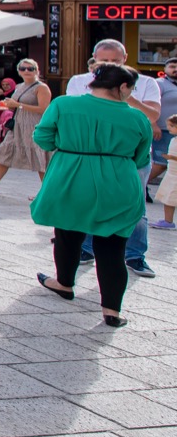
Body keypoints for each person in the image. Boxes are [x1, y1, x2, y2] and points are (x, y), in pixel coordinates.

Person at [32, 64, 146, 326]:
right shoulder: (137, 117)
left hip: (70, 176)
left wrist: (71, 145)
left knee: (67, 233)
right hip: (118, 183)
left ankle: (64, 283)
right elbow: (140, 157)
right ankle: (112, 311)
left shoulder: (63, 104)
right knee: (113, 247)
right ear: (123, 87)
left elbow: (43, 138)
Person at [65, 40, 159, 278]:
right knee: (90, 200)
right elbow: (76, 114)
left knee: (136, 204)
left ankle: (135, 254)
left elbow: (152, 115)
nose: (109, 66)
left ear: (125, 58)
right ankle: (87, 248)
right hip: (93, 152)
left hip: (131, 153)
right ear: (93, 58)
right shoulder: (79, 81)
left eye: (115, 61)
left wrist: (124, 92)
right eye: (103, 61)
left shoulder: (145, 82)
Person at [0, 59, 51, 195]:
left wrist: (18, 105)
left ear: (36, 71)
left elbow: (44, 109)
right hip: (17, 124)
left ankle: (47, 193)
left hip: (33, 125)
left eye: (30, 68)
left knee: (39, 158)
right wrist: (8, 105)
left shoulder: (41, 88)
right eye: (23, 68)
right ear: (19, 71)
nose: (26, 71)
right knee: (5, 152)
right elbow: (15, 105)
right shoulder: (19, 86)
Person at [148, 58, 177, 194]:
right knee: (161, 163)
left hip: (175, 132)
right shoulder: (159, 84)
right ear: (165, 69)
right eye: (172, 66)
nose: (175, 69)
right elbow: (150, 104)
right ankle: (138, 186)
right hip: (163, 130)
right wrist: (153, 124)